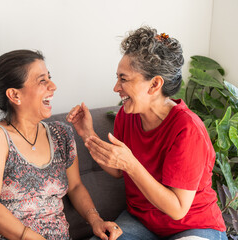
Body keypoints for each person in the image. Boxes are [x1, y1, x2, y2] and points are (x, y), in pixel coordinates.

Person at [66, 26, 227, 240]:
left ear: (155, 84)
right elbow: (118, 170)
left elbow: (178, 209)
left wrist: (131, 163)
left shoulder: (187, 129)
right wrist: (87, 134)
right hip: (141, 222)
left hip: (192, 227)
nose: (116, 87)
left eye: (124, 79)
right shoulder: (127, 114)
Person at [0, 49, 122, 240]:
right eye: (42, 80)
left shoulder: (61, 133)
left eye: (49, 77)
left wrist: (96, 221)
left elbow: (75, 187)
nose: (53, 86)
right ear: (15, 95)